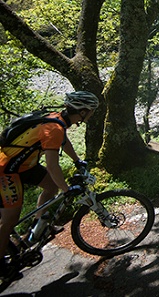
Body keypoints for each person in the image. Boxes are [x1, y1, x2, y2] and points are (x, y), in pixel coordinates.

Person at [0, 91, 97, 277]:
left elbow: (64, 141)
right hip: (7, 170)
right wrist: (67, 189)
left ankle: (40, 223)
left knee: (50, 187)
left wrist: (77, 160)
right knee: (9, 219)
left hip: (24, 165)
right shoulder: (54, 128)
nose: (92, 114)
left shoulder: (57, 119)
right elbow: (53, 166)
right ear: (83, 112)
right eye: (91, 111)